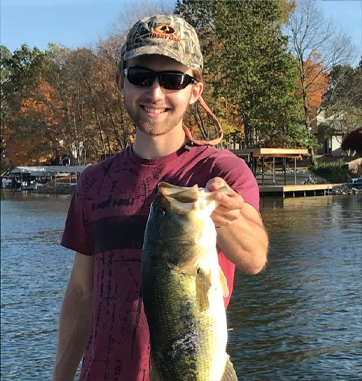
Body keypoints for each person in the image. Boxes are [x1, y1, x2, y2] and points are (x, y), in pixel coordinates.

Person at [53, 15, 268, 381]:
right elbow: (80, 293)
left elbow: (254, 257)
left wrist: (228, 216)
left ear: (195, 91)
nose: (155, 93)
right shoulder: (92, 182)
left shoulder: (221, 171)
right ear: (120, 81)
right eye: (141, 76)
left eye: (172, 80)